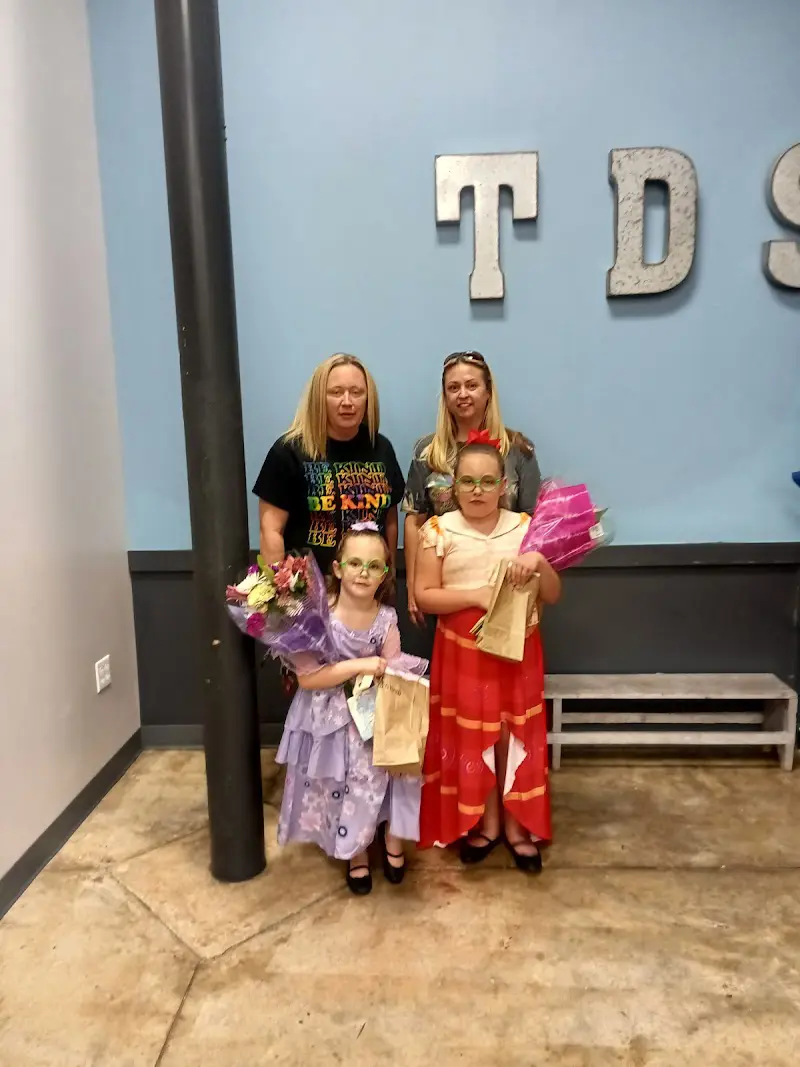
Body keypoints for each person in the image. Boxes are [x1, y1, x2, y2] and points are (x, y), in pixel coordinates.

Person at [414, 438, 561, 871]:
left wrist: (540, 563)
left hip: (517, 650)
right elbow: (425, 595)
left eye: (487, 481)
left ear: (504, 485)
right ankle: (487, 822)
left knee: (512, 734)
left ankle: (518, 827)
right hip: (462, 653)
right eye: (467, 481)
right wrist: (476, 595)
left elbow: (552, 594)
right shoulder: (438, 530)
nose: (477, 490)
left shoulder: (526, 528)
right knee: (474, 738)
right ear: (453, 486)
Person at [276, 524, 427, 894]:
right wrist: (360, 665)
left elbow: (391, 662)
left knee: (393, 769)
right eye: (355, 563)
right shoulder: (317, 616)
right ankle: (354, 850)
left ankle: (393, 837)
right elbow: (309, 678)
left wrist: (393, 678)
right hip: (327, 715)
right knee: (342, 783)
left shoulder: (385, 617)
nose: (363, 573)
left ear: (385, 574)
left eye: (374, 566)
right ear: (338, 568)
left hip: (370, 708)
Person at [403, 351, 541, 626]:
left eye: (472, 385)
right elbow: (414, 519)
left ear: (488, 392)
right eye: (453, 387)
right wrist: (412, 585)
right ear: (445, 396)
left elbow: (535, 521)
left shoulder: (518, 449)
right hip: (445, 588)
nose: (462, 394)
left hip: (507, 585)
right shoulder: (427, 452)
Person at [253, 354, 405, 573]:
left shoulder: (381, 448)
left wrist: (389, 577)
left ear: (368, 399)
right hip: (309, 587)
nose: (347, 402)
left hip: (367, 583)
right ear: (319, 398)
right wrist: (279, 588)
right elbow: (271, 531)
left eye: (356, 392)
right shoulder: (288, 451)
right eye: (336, 392)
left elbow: (389, 520)